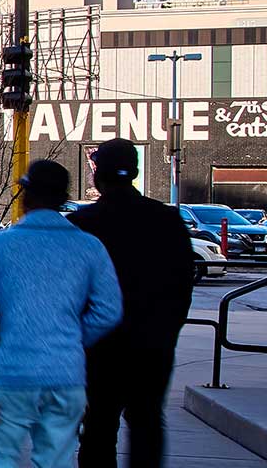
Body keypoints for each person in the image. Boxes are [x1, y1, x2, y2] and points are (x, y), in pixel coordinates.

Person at [0, 159, 123, 467]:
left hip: (13, 371)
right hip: (67, 373)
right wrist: (74, 339)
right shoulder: (89, 247)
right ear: (63, 198)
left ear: (25, 195)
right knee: (56, 459)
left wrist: (1, 339)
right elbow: (109, 310)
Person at [68, 138, 195, 468]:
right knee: (147, 422)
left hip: (98, 348)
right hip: (152, 345)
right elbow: (183, 285)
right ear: (135, 173)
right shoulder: (167, 219)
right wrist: (166, 333)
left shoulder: (83, 224)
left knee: (98, 426)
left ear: (98, 175)